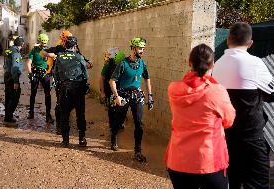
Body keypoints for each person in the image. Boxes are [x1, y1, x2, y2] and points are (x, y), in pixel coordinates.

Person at [165, 44, 235, 189]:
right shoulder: (217, 91)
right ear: (212, 64)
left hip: (178, 161)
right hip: (209, 162)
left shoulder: (174, 88)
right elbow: (229, 121)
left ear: (189, 63)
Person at [212, 22, 273, 189]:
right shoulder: (254, 63)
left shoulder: (217, 66)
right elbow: (272, 91)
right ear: (250, 43)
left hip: (226, 137)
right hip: (251, 138)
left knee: (232, 182)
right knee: (258, 184)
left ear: (228, 40)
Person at [109, 37, 154, 162]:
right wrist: (117, 96)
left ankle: (137, 151)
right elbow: (112, 81)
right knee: (119, 121)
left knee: (139, 123)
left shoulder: (142, 63)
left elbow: (147, 78)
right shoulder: (123, 63)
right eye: (140, 48)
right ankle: (113, 138)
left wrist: (150, 96)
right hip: (123, 95)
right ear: (133, 49)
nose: (142, 51)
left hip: (137, 96)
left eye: (143, 49)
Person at [53, 36, 89, 147]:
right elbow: (85, 74)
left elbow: (55, 73)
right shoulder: (78, 57)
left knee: (65, 114)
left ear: (65, 45)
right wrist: (84, 84)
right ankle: (82, 139)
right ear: (75, 46)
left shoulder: (59, 57)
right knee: (80, 114)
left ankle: (65, 140)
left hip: (65, 88)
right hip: (78, 88)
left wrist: (60, 85)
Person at [40, 30, 72, 134]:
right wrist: (51, 55)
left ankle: (65, 123)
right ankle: (59, 125)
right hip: (59, 81)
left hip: (70, 81)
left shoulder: (74, 49)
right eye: (66, 40)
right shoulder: (58, 49)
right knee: (59, 102)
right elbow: (42, 52)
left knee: (68, 103)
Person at [26, 33, 54, 123]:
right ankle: (31, 112)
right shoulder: (34, 50)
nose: (44, 45)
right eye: (43, 43)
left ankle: (48, 115)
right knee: (33, 93)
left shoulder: (48, 49)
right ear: (40, 41)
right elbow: (29, 62)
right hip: (35, 73)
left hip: (45, 73)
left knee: (47, 94)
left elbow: (53, 55)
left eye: (45, 43)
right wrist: (30, 73)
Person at [99, 48, 125, 129]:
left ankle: (118, 123)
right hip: (109, 89)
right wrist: (102, 93)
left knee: (121, 107)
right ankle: (112, 125)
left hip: (120, 89)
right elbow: (101, 79)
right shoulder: (108, 65)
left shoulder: (124, 64)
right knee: (111, 108)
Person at [3, 36, 24, 125]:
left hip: (7, 75)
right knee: (15, 97)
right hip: (12, 76)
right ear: (21, 44)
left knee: (8, 96)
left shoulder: (9, 50)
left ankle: (7, 116)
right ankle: (8, 117)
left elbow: (5, 64)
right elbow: (15, 68)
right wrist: (16, 81)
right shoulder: (16, 53)